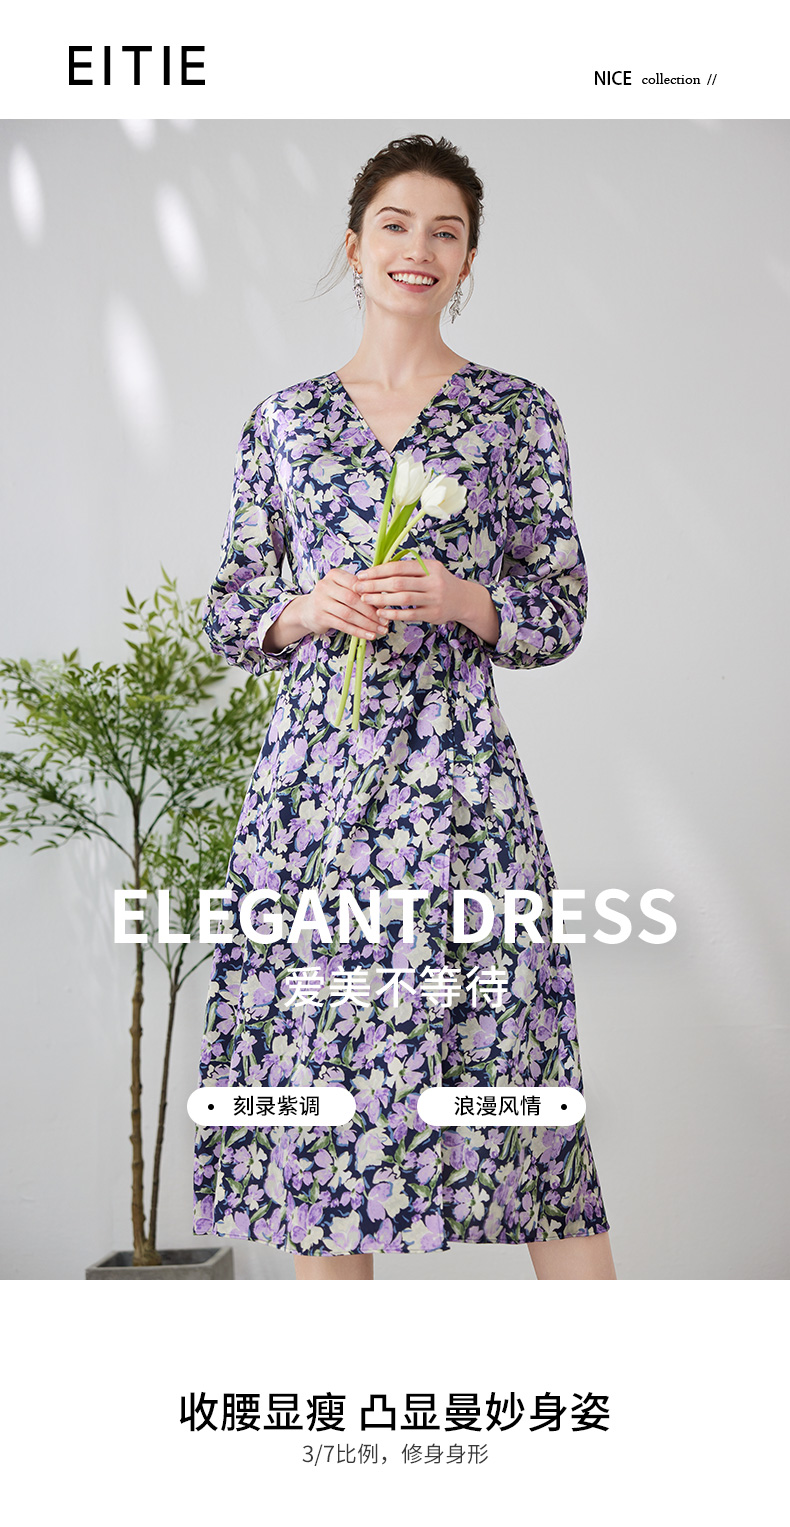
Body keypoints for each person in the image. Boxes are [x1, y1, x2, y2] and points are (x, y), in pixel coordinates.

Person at [193, 134, 616, 1281]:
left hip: (456, 788)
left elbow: (560, 608)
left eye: (445, 231)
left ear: (468, 259)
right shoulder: (285, 421)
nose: (417, 248)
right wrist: (304, 610)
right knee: (320, 1109)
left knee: (518, 1078)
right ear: (353, 245)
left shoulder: (514, 414)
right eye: (394, 224)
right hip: (311, 801)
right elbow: (228, 611)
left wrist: (464, 599)